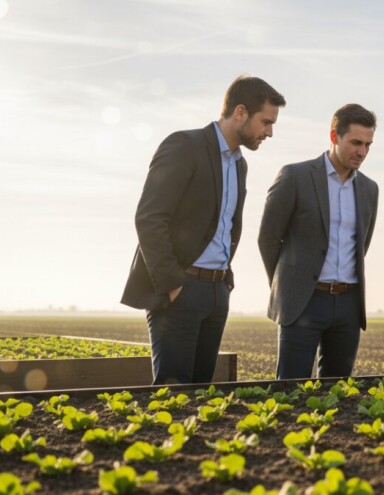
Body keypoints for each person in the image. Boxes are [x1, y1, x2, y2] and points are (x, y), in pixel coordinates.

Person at [121, 76, 285, 385]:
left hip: (216, 292)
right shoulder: (184, 145)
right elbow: (149, 217)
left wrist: (224, 284)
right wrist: (173, 284)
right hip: (181, 289)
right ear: (240, 112)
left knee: (201, 396)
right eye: (266, 122)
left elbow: (226, 225)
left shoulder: (240, 164)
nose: (270, 132)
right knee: (174, 394)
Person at [259, 103, 379, 379]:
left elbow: (363, 245)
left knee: (338, 394)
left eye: (368, 144)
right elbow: (268, 237)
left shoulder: (369, 188)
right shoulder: (295, 176)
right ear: (334, 137)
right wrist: (286, 284)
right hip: (303, 301)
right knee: (291, 390)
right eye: (356, 143)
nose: (362, 151)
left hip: (349, 305)